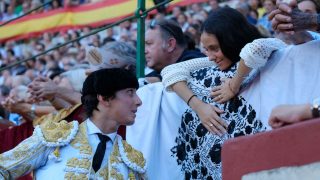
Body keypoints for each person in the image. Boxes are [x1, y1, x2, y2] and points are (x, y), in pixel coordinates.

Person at [0, 68, 146, 179]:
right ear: (105, 98)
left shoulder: (132, 160)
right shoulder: (54, 139)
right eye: (130, 92)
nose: (139, 101)